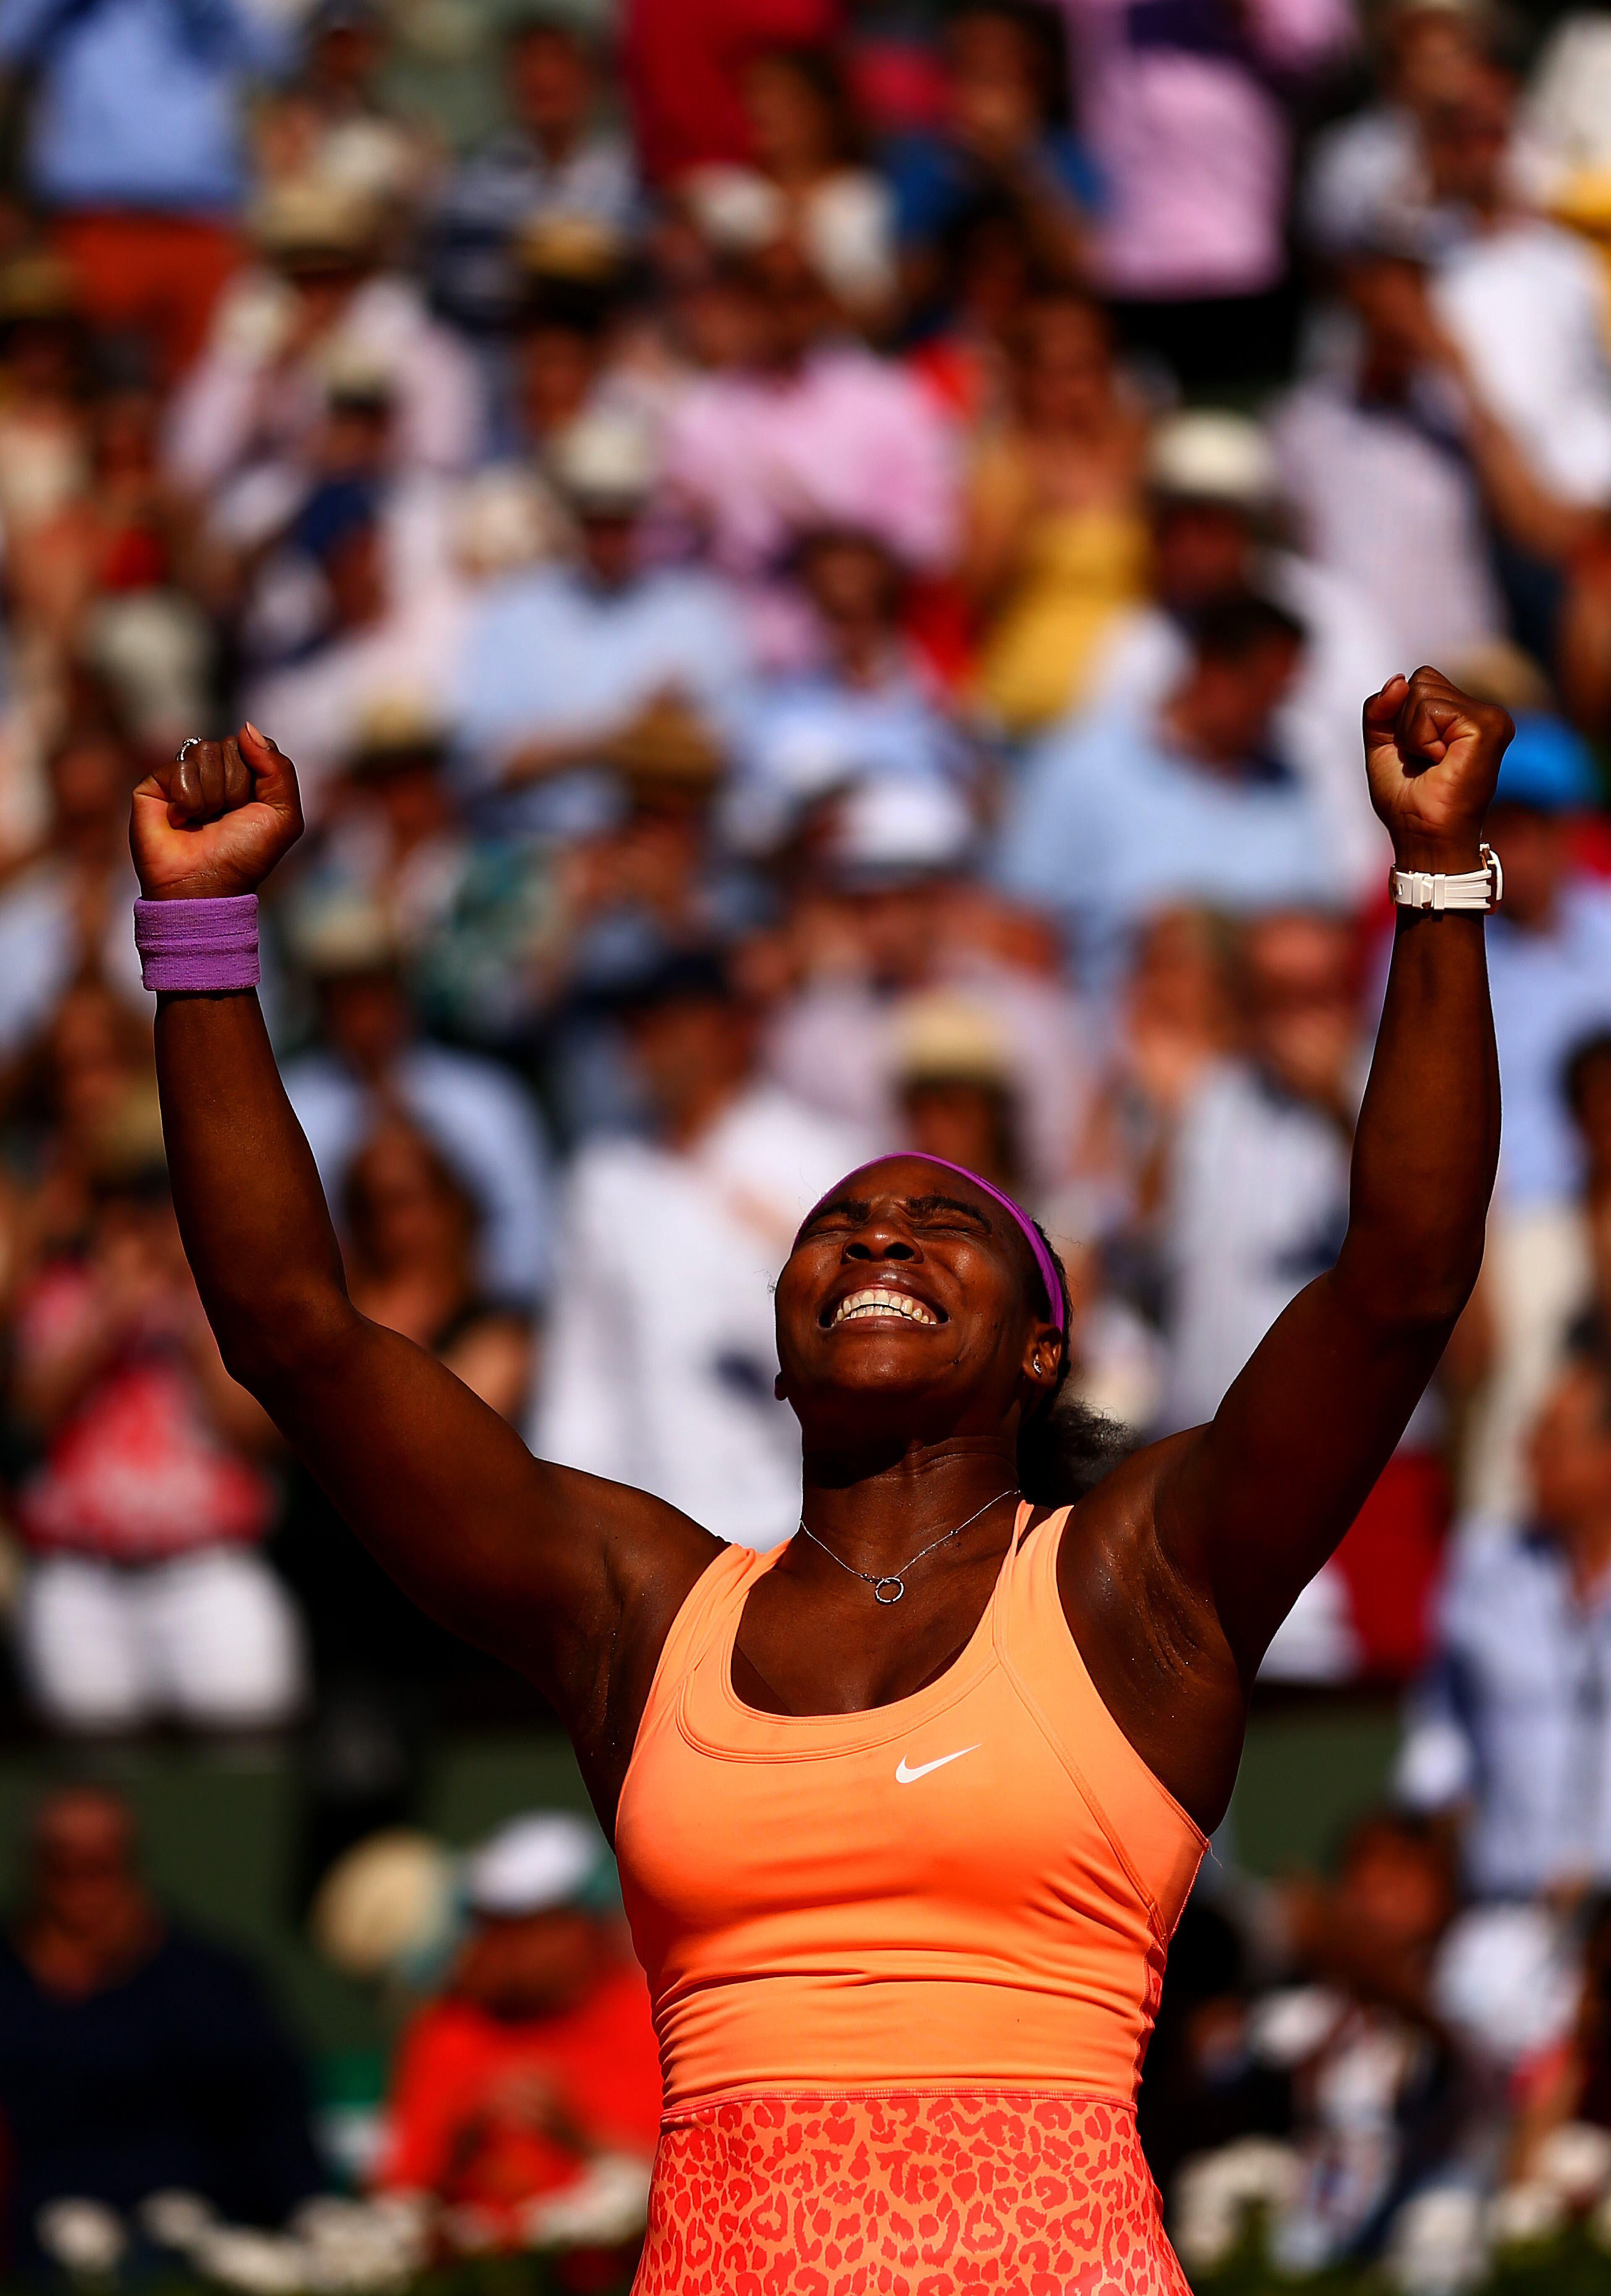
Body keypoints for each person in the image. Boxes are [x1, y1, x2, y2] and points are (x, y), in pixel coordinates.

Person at [127, 660, 1504, 2289]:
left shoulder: (1141, 1587)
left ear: (1042, 1350)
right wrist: (203, 940)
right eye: (837, 1222)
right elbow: (297, 1335)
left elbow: (1403, 1280)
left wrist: (1435, 881)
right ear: (780, 1353)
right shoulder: (641, 1613)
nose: (877, 1231)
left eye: (942, 1223)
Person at [534, 948, 867, 1550]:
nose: (644, 1046)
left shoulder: (819, 1159)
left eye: (666, 1023)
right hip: (649, 1535)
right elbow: (584, 1366)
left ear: (730, 1030)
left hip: (790, 1525)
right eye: (635, 1027)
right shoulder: (605, 1177)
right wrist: (567, 1512)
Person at [10, 1152, 301, 1734]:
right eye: (132, 1219)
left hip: (210, 1569)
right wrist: (109, 1316)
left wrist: (187, 1316)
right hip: (80, 1579)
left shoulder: (228, 1303)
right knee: (92, 1766)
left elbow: (254, 1431)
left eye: (163, 1216)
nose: (148, 1234)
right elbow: (29, 1414)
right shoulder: (60, 1294)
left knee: (249, 1743)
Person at [0, 1786, 321, 2266]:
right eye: (63, 1864)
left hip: (198, 2251)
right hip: (33, 2255)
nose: (84, 1886)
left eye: (102, 1864)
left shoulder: (212, 1983)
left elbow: (276, 2127)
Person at [996, 592, 1332, 990]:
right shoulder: (1082, 769)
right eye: (1265, 697)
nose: (1274, 716)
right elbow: (1025, 930)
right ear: (1213, 672)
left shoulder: (1288, 785)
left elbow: (1315, 929)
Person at [376, 1812, 662, 2242]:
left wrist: (577, 2136)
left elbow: (699, 2187)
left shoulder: (658, 2017)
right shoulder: (445, 2032)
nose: (494, 1945)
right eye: (485, 1923)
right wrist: (461, 2144)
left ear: (581, 1926)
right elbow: (394, 2205)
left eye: (522, 1925)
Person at [1399, 1335, 1611, 1900]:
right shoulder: (1482, 1566)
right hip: (1503, 1914)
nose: (1527, 1451)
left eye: (1553, 1439)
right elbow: (1438, 1734)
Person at [0, 0, 284, 380]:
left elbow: (274, 57)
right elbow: (11, 37)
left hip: (201, 220)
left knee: (207, 388)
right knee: (103, 388)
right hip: (99, 219)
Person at [963, 287, 1149, 738]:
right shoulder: (1003, 464)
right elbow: (976, 591)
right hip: (1028, 705)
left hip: (1128, 709)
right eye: (1052, 373)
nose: (1070, 390)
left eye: (1084, 370)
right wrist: (1032, 504)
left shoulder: (1143, 458)